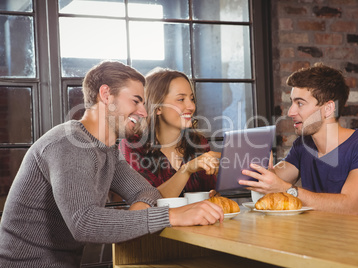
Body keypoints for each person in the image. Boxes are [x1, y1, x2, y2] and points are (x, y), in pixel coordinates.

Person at [0, 61, 223, 267]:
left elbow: (147, 191)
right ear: (106, 94)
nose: (143, 112)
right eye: (136, 101)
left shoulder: (107, 151)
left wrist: (137, 219)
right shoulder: (69, 143)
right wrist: (172, 216)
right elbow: (84, 224)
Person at [239, 63, 358, 218]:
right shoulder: (303, 145)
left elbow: (351, 207)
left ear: (328, 109)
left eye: (300, 103)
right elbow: (270, 178)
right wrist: (220, 160)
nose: (290, 112)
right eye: (291, 103)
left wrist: (286, 190)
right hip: (315, 239)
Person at [119, 67, 220, 198]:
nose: (191, 106)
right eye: (181, 99)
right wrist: (186, 170)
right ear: (158, 107)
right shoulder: (132, 147)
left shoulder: (199, 142)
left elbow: (210, 192)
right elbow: (147, 202)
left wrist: (217, 190)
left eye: (192, 99)